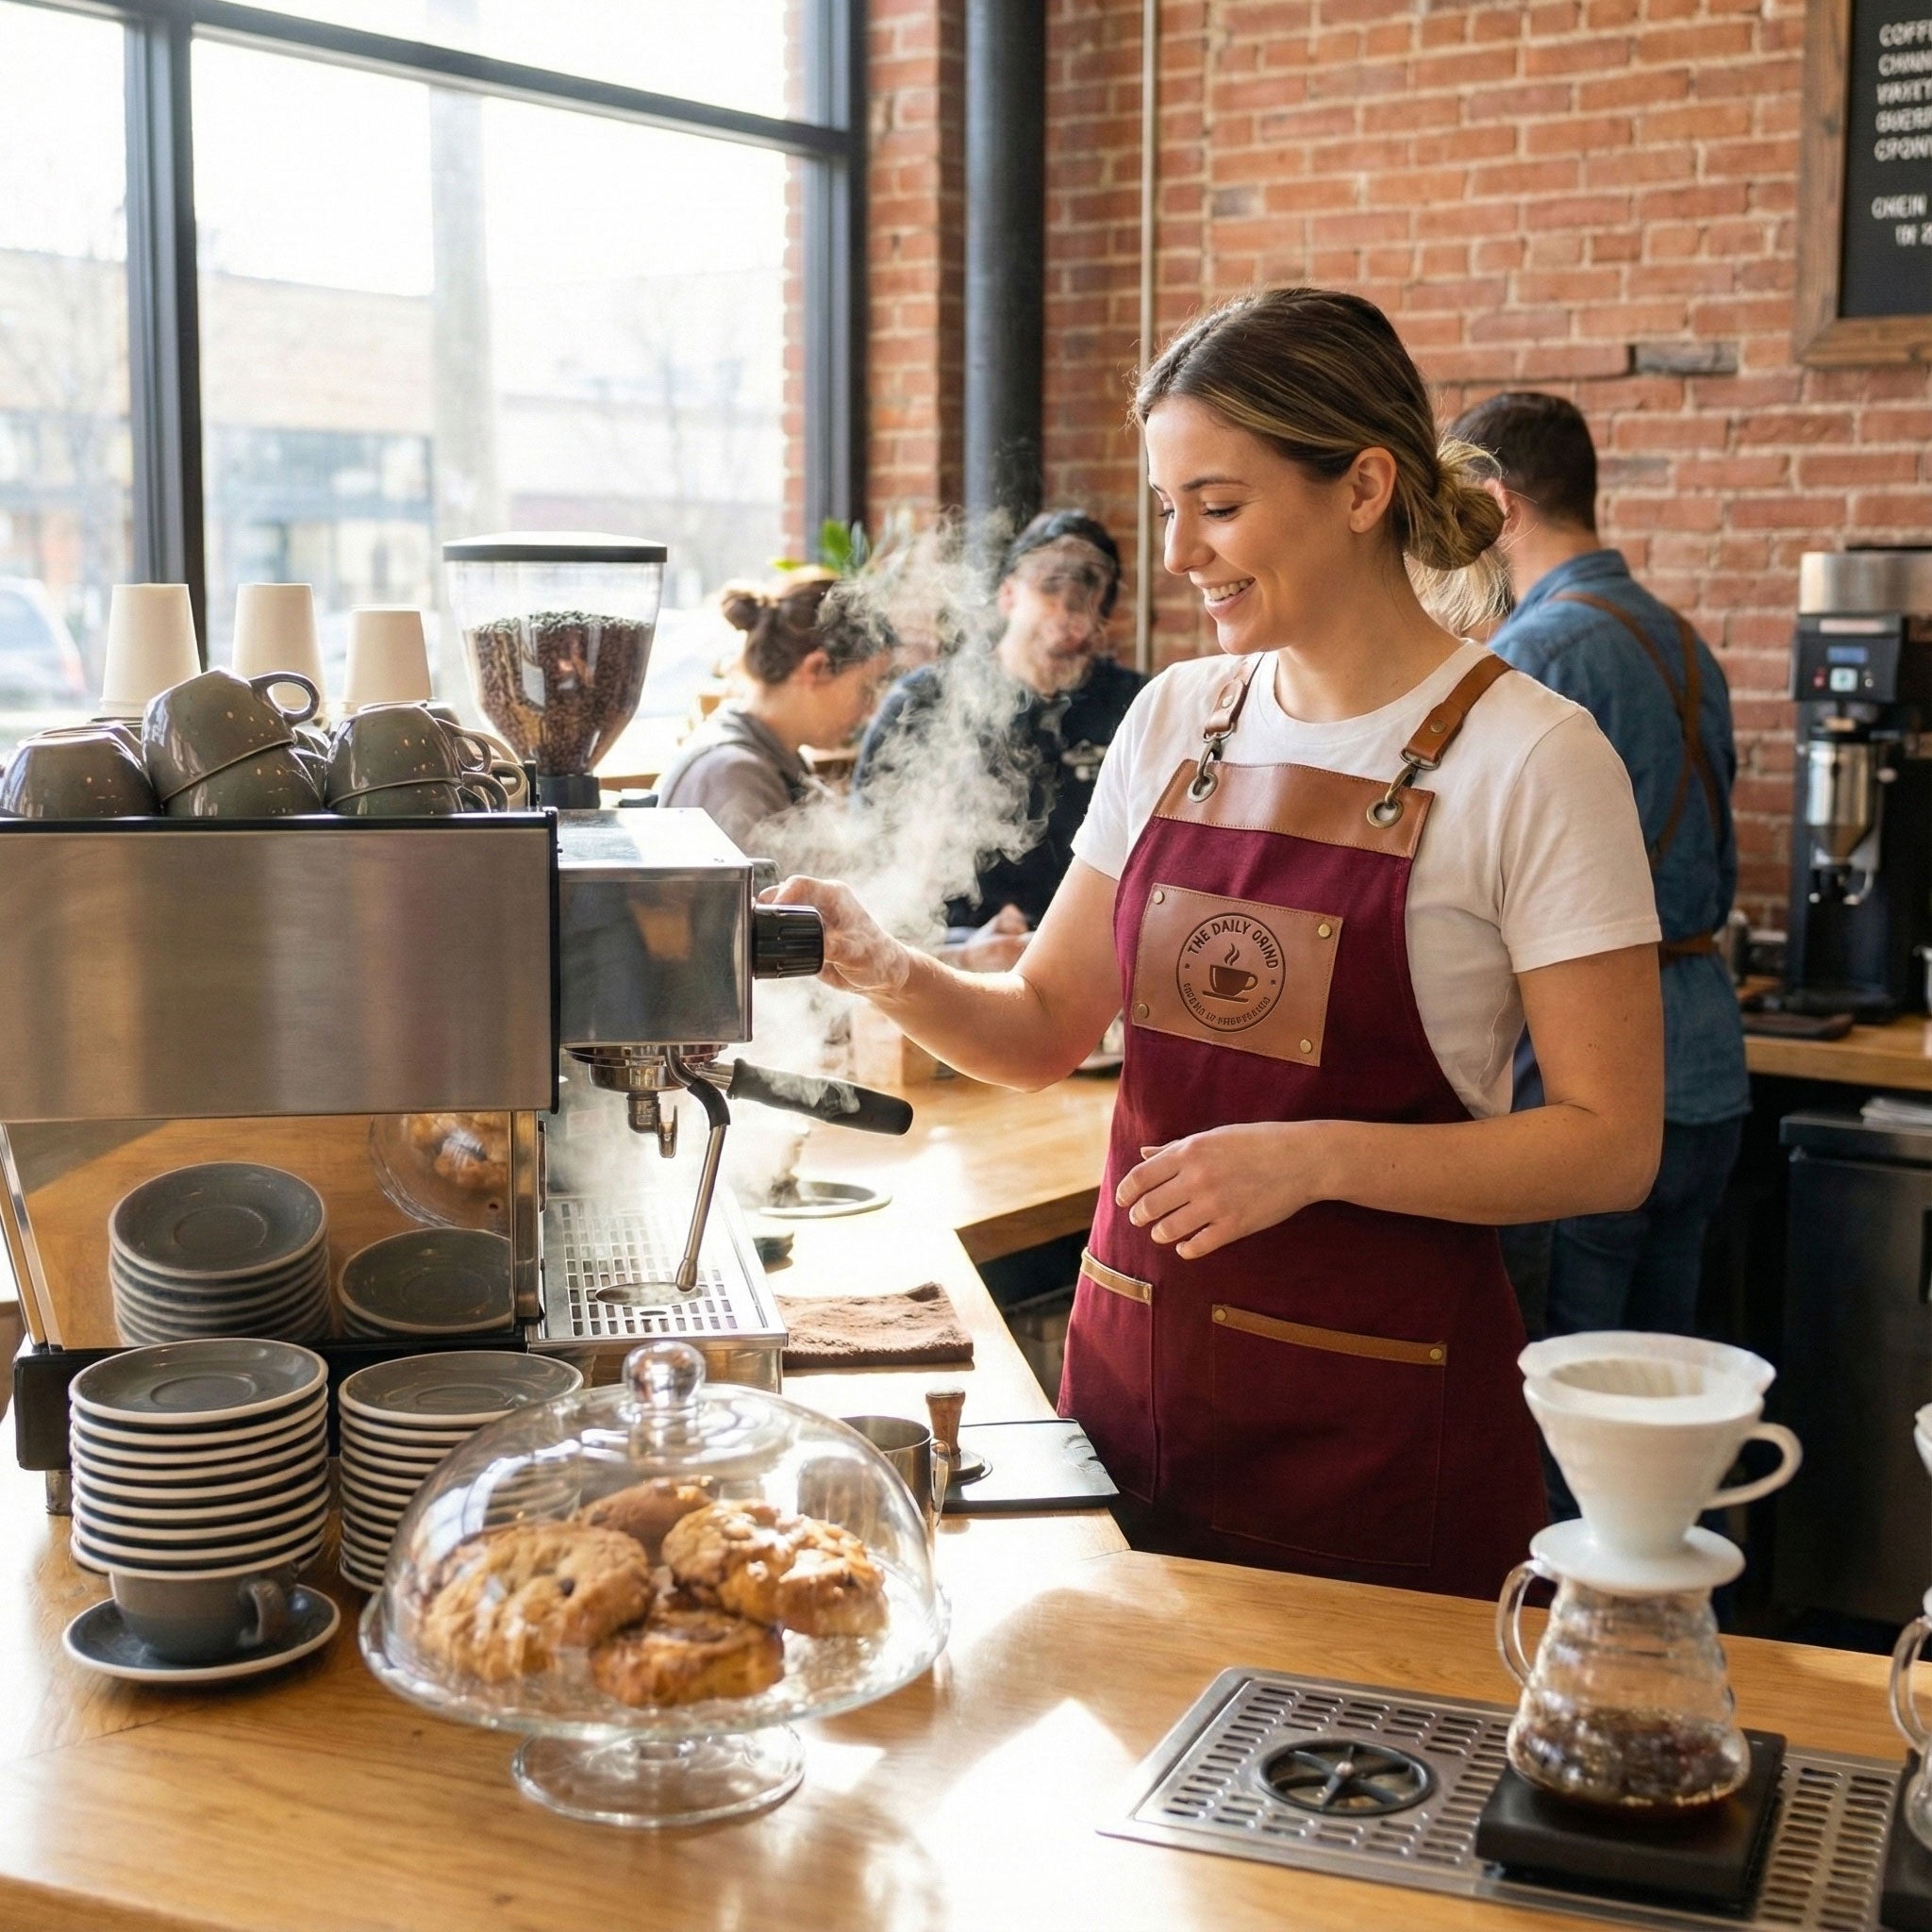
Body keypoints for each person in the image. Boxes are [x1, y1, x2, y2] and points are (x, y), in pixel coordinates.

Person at [775, 288, 1666, 1601]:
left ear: (1363, 487)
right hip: (1134, 1397)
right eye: (1168, 505)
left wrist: (1311, 1160)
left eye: (1222, 503)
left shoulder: (1532, 756)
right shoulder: (1177, 719)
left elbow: (1611, 1142)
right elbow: (1039, 1031)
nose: (1182, 550)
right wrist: (890, 967)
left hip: (1377, 1435)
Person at [1446, 390, 1749, 1361]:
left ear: (1497, 504)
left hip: (1584, 1077)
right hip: (1704, 1068)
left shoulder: (1529, 655)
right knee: (1652, 1404)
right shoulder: (1683, 642)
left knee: (1566, 1401)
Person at [853, 509, 1144, 955]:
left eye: (1087, 590)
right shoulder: (924, 701)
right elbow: (871, 850)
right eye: (1049, 585)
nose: (1066, 608)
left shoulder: (1137, 705)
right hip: (945, 955)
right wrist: (959, 944)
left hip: (1088, 957)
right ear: (1007, 594)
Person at [657, 569, 894, 852]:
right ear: (816, 668)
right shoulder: (734, 775)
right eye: (866, 688)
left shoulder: (775, 756)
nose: (871, 709)